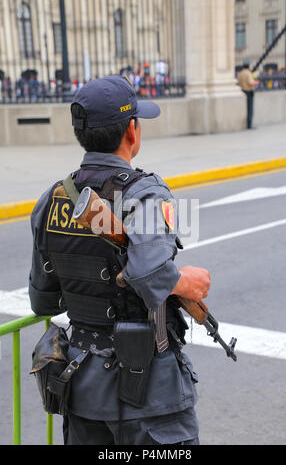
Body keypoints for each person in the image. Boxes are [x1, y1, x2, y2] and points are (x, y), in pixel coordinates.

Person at [29, 75, 211, 446]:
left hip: (81, 388)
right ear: (132, 130)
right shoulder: (144, 193)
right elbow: (150, 271)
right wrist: (182, 282)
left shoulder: (51, 200)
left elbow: (42, 301)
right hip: (149, 397)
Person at [238, 61, 259, 130]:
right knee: (250, 109)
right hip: (249, 92)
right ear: (248, 66)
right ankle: (249, 125)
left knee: (245, 109)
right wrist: (256, 82)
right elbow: (250, 83)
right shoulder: (248, 73)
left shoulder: (240, 73)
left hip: (242, 91)